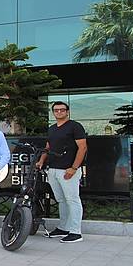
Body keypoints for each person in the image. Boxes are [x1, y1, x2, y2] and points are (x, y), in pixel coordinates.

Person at [36, 101, 87, 243]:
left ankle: (76, 232)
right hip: (53, 169)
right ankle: (63, 228)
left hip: (68, 169)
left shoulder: (75, 127)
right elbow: (48, 146)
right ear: (53, 112)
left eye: (62, 110)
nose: (59, 112)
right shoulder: (52, 128)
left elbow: (82, 148)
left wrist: (74, 168)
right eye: (56, 110)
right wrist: (41, 161)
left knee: (72, 200)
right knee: (61, 200)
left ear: (67, 111)